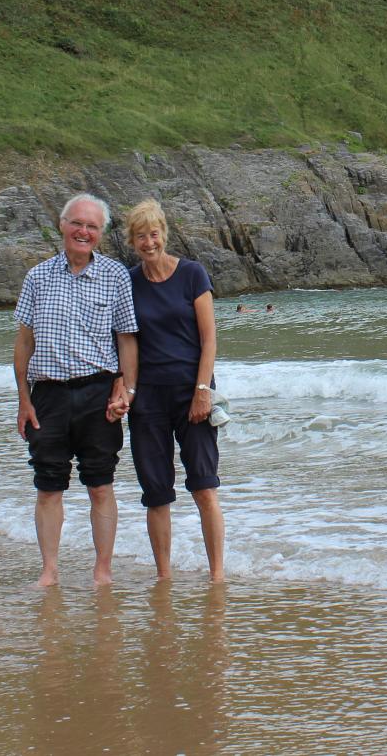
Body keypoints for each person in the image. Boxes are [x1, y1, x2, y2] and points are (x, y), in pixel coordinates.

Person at [13, 193, 137, 588]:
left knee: (100, 483)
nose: (84, 231)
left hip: (98, 393)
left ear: (100, 234)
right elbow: (24, 341)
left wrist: (126, 390)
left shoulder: (117, 276)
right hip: (47, 394)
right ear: (62, 226)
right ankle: (49, 571)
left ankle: (103, 571)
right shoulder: (37, 276)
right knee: (48, 485)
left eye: (92, 226)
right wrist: (23, 399)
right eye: (77, 223)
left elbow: (127, 340)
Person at [122, 198, 224, 580]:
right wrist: (126, 390)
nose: (149, 243)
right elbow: (127, 341)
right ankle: (164, 576)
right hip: (148, 399)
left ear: (164, 233)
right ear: (131, 242)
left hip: (191, 394)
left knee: (204, 487)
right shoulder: (128, 282)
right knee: (156, 492)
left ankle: (217, 576)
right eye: (140, 237)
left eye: (154, 234)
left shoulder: (193, 274)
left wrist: (202, 390)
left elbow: (209, 339)